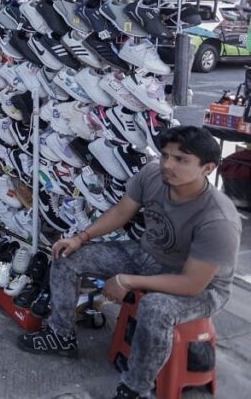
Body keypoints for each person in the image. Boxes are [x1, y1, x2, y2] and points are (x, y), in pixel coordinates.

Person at [18, 126, 240, 399]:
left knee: (155, 308)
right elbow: (122, 211)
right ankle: (61, 335)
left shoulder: (218, 219)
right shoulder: (152, 175)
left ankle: (136, 388)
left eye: (181, 160)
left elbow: (192, 284)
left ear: (207, 168)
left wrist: (127, 280)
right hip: (147, 254)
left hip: (205, 288)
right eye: (165, 155)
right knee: (67, 256)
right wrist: (80, 237)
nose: (168, 165)